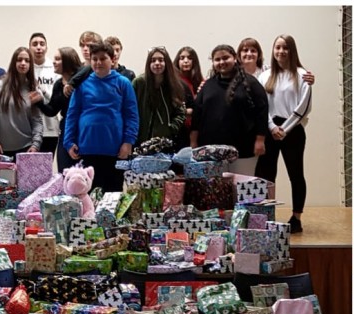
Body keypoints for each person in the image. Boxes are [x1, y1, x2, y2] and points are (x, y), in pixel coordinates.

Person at [63, 41, 138, 193]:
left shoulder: (123, 83)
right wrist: (68, 141)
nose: (98, 62)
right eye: (95, 59)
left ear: (112, 59)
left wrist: (128, 142)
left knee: (113, 194)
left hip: (115, 149)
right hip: (87, 148)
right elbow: (72, 114)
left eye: (103, 58)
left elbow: (132, 115)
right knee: (88, 194)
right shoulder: (82, 84)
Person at [256, 35, 312, 234]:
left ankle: (296, 218)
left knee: (296, 174)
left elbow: (304, 106)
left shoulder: (303, 75)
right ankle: (266, 215)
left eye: (285, 48)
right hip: (270, 130)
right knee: (266, 175)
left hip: (293, 131)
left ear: (292, 50)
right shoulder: (265, 76)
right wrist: (272, 127)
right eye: (277, 47)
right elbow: (261, 105)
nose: (281, 51)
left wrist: (285, 129)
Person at [190, 44, 268, 176]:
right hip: (211, 151)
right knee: (215, 187)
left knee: (241, 186)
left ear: (235, 58)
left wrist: (260, 141)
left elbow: (262, 112)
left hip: (244, 148)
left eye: (225, 58)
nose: (222, 62)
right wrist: (193, 142)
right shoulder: (207, 85)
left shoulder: (251, 83)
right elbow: (197, 115)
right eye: (217, 59)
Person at [0, 47, 43, 157]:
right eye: (19, 60)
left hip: (27, 148)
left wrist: (36, 144)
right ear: (14, 62)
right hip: (1, 148)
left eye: (27, 61)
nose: (23, 63)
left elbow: (37, 120)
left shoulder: (33, 90)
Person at [37, 47, 81, 173]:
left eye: (57, 59)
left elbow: (87, 68)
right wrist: (39, 101)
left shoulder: (81, 81)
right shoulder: (58, 84)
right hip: (65, 130)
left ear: (67, 61)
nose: (53, 62)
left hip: (81, 129)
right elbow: (52, 110)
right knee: (64, 171)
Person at [133, 47, 189, 145]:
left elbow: (181, 112)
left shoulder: (174, 84)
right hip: (140, 139)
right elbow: (129, 109)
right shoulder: (139, 83)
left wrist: (171, 129)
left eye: (161, 60)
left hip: (164, 142)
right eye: (153, 60)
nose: (157, 63)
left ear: (166, 63)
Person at [29, 32, 61, 158]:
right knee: (27, 167)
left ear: (46, 48)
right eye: (35, 44)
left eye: (42, 44)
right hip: (29, 129)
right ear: (29, 47)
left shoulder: (54, 68)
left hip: (50, 129)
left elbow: (56, 100)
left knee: (45, 167)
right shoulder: (25, 67)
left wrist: (42, 91)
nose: (38, 47)